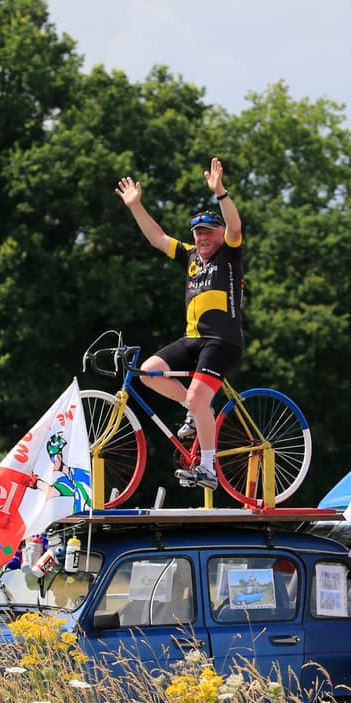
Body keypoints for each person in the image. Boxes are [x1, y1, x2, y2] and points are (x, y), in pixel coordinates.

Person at [114, 158, 243, 490]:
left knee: (201, 398)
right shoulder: (190, 257)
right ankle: (192, 407)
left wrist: (221, 193)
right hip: (193, 339)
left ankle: (210, 469)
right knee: (150, 370)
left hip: (222, 340)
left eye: (206, 232)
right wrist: (136, 206)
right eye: (196, 233)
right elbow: (157, 238)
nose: (200, 238)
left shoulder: (228, 254)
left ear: (218, 235)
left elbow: (235, 228)